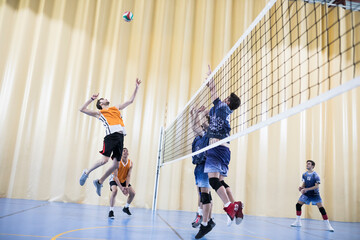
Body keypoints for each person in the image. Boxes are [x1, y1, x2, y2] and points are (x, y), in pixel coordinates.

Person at [79, 78, 141, 196]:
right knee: (104, 160)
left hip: (121, 137)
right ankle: (86, 173)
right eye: (103, 99)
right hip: (111, 136)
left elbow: (131, 101)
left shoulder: (115, 108)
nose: (106, 99)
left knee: (115, 165)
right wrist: (91, 99)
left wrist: (136, 88)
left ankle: (99, 181)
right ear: (101, 104)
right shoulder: (100, 113)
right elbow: (82, 109)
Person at [190, 107, 216, 239]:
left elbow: (205, 125)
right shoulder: (200, 136)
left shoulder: (210, 135)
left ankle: (204, 221)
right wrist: (194, 113)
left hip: (206, 166)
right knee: (202, 194)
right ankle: (208, 219)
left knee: (204, 195)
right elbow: (195, 126)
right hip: (199, 167)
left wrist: (204, 114)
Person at [291, 160, 334, 232]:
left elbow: (316, 186)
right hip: (306, 194)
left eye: (309, 164)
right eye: (307, 164)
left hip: (315, 195)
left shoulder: (316, 175)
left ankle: (328, 225)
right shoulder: (304, 174)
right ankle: (298, 222)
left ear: (313, 166)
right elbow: (304, 183)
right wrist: (301, 187)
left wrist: (307, 189)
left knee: (321, 209)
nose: (307, 165)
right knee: (298, 205)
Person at [108, 147, 136, 218]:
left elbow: (128, 176)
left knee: (132, 193)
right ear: (121, 153)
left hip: (123, 179)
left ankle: (126, 208)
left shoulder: (130, 163)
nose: (125, 152)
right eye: (123, 151)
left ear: (128, 153)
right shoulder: (117, 161)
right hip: (114, 178)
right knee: (115, 190)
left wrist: (126, 187)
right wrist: (121, 188)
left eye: (126, 151)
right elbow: (115, 176)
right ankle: (111, 211)